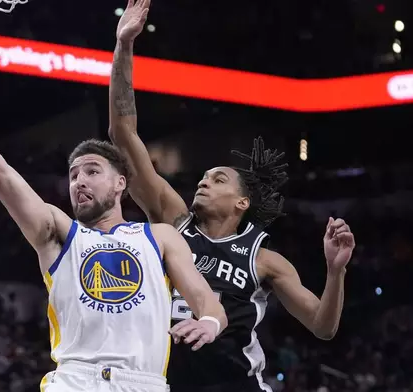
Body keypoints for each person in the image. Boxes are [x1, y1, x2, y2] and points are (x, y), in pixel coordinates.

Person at [0, 47, 227, 392]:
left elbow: (205, 299)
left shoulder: (160, 236)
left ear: (121, 183)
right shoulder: (58, 232)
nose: (79, 181)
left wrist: (209, 322)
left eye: (92, 171)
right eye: (73, 175)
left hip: (143, 383)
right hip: (76, 381)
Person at [107, 1, 356, 391]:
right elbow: (122, 134)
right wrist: (124, 46)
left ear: (242, 202)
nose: (203, 183)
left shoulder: (265, 259)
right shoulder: (174, 220)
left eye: (218, 179)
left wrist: (336, 271)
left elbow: (323, 327)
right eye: (203, 177)